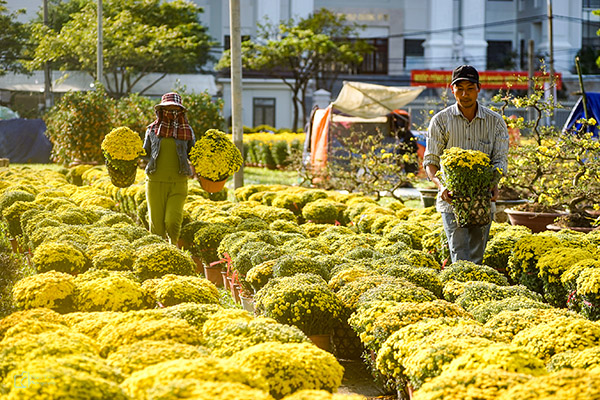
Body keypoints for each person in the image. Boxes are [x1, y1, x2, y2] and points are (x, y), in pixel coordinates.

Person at [422, 65, 509, 264]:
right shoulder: (441, 121)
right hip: (451, 199)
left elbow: (500, 160)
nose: (464, 94)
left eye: (470, 88)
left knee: (477, 256)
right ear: (451, 90)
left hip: (482, 199)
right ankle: (459, 290)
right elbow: (431, 160)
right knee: (459, 255)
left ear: (478, 88)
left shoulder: (495, 122)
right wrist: (441, 186)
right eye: (459, 88)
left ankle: (471, 291)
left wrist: (494, 182)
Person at [142, 92, 195, 245]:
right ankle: (157, 257)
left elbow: (194, 154)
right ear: (161, 109)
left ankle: (174, 249)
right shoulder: (152, 129)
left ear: (180, 110)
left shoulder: (187, 130)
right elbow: (145, 152)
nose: (171, 111)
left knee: (172, 221)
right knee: (156, 226)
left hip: (178, 182)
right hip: (155, 181)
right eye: (168, 107)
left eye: (174, 108)